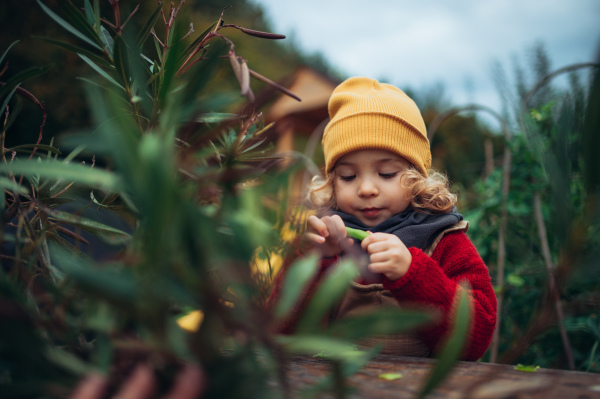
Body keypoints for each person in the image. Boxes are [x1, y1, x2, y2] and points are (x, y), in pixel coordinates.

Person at [269, 77, 497, 361]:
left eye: (387, 173)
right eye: (348, 176)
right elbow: (281, 333)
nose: (366, 189)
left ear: (416, 178)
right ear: (332, 182)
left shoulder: (444, 240)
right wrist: (310, 262)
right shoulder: (322, 239)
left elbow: (477, 338)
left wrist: (413, 273)